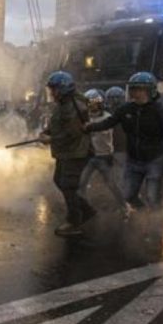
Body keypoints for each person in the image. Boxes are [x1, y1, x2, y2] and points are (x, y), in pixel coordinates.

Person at [85, 72, 163, 213]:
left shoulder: (161, 113)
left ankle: (155, 233)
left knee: (152, 197)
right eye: (133, 89)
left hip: (155, 161)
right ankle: (145, 216)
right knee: (128, 196)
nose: (135, 93)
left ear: (151, 91)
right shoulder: (125, 110)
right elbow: (109, 122)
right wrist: (90, 127)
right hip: (133, 160)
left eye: (140, 89)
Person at [38, 71, 95, 237]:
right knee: (59, 180)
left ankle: (74, 222)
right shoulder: (63, 104)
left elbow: (73, 133)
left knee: (69, 185)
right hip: (65, 152)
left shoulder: (75, 106)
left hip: (76, 152)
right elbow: (56, 125)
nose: (51, 93)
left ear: (63, 89)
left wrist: (51, 139)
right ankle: (87, 210)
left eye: (54, 89)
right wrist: (45, 132)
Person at [77, 89, 126, 211]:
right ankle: (84, 208)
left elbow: (116, 137)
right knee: (81, 184)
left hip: (104, 156)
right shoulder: (84, 119)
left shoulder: (108, 118)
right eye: (90, 103)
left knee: (112, 184)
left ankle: (125, 206)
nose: (93, 106)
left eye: (95, 102)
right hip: (90, 157)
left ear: (101, 103)